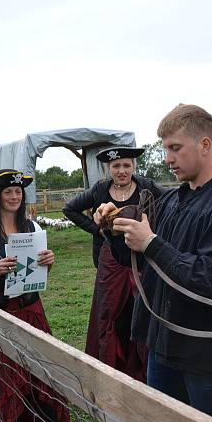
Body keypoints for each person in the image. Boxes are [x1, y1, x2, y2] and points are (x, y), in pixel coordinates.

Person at [95, 104, 212, 422]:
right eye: (166, 149)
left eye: (175, 148)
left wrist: (150, 241)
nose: (167, 158)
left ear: (205, 145)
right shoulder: (172, 200)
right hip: (162, 345)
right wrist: (113, 232)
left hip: (207, 354)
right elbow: (139, 262)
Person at [0, 170, 72, 422]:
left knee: (44, 368)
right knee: (6, 373)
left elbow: (41, 273)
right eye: (8, 192)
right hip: (2, 313)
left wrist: (49, 261)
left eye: (18, 192)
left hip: (32, 309)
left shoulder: (32, 227)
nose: (14, 196)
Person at [62, 147, 164, 381]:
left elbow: (171, 202)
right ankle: (111, 371)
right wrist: (97, 230)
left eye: (126, 165)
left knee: (143, 310)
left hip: (141, 259)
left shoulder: (147, 187)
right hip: (112, 262)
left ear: (133, 167)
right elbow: (70, 209)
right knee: (110, 313)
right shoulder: (100, 190)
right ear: (109, 168)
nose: (122, 171)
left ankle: (145, 372)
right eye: (116, 166)